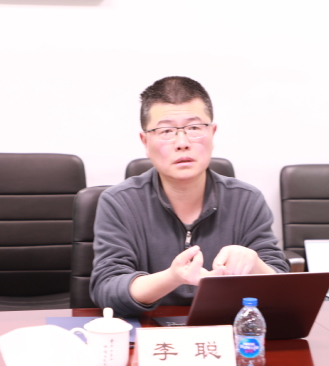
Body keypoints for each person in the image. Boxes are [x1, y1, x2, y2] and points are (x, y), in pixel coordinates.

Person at [90, 76, 289, 316]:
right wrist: (172, 277)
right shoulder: (120, 203)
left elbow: (283, 287)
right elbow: (107, 288)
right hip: (148, 331)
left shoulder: (246, 200)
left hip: (225, 329)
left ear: (212, 133)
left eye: (194, 128)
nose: (182, 143)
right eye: (166, 131)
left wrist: (254, 263)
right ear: (145, 141)